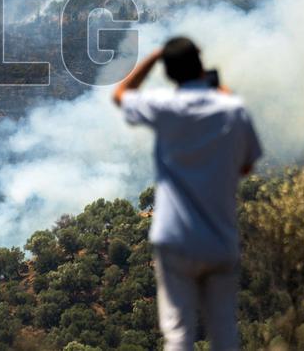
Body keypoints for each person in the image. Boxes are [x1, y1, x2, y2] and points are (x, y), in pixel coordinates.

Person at [112, 36, 262, 351]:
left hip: (175, 238)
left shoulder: (165, 107)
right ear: (200, 64)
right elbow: (247, 166)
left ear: (169, 72)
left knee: (179, 335)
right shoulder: (231, 108)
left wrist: (154, 56)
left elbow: (121, 94)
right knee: (224, 334)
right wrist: (218, 87)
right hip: (220, 238)